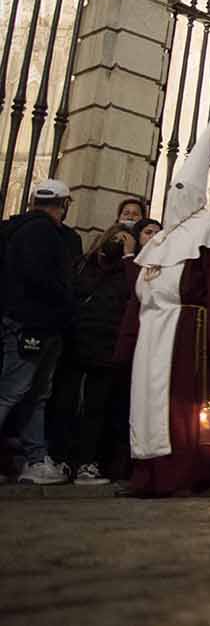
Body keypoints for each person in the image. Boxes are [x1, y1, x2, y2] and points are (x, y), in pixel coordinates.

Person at [118, 122, 210, 496]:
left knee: (181, 406)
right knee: (147, 403)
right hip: (152, 331)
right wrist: (127, 341)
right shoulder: (161, 239)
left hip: (188, 331)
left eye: (183, 190)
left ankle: (184, 473)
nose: (177, 197)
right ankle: (149, 472)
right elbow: (138, 294)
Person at [0, 179, 79, 484]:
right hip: (34, 323)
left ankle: (36, 458)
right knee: (13, 391)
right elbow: (44, 279)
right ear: (64, 205)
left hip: (30, 322)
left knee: (35, 393)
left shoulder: (16, 229)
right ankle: (34, 458)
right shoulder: (43, 232)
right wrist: (65, 301)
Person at [49, 224, 134, 484]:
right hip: (77, 342)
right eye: (116, 238)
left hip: (107, 346)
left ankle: (87, 461)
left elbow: (134, 296)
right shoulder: (84, 265)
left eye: (125, 241)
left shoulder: (129, 270)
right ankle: (60, 459)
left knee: (96, 407)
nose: (118, 244)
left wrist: (129, 258)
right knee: (65, 402)